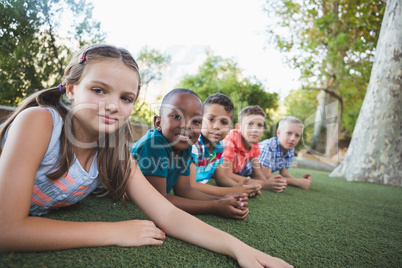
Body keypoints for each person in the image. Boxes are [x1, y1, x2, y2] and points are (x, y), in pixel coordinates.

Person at [0, 44, 292, 268]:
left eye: (126, 98)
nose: (113, 106)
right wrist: (113, 232)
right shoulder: (40, 122)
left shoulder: (114, 151)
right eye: (99, 90)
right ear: (72, 88)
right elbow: (7, 230)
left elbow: (166, 213)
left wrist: (239, 248)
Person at [131, 89, 250, 220]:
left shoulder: (185, 146)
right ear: (158, 123)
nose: (187, 125)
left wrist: (222, 200)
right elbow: (158, 199)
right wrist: (214, 206)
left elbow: (184, 189)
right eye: (177, 116)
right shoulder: (154, 144)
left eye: (196, 121)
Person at [190, 93, 261, 197]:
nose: (217, 126)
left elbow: (221, 177)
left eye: (224, 122)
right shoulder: (194, 144)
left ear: (230, 128)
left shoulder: (221, 145)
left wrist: (242, 188)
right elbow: (191, 185)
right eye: (211, 119)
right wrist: (234, 191)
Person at [217, 106, 288, 193]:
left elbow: (258, 175)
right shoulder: (230, 141)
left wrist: (272, 183)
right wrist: (264, 184)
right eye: (250, 124)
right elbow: (226, 175)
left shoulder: (254, 143)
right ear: (238, 127)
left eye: (259, 125)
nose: (255, 129)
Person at [259, 116, 312, 190]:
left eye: (297, 135)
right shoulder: (268, 146)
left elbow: (284, 173)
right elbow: (265, 176)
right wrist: (297, 182)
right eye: (289, 133)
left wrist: (301, 180)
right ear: (278, 133)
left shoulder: (290, 149)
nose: (293, 138)